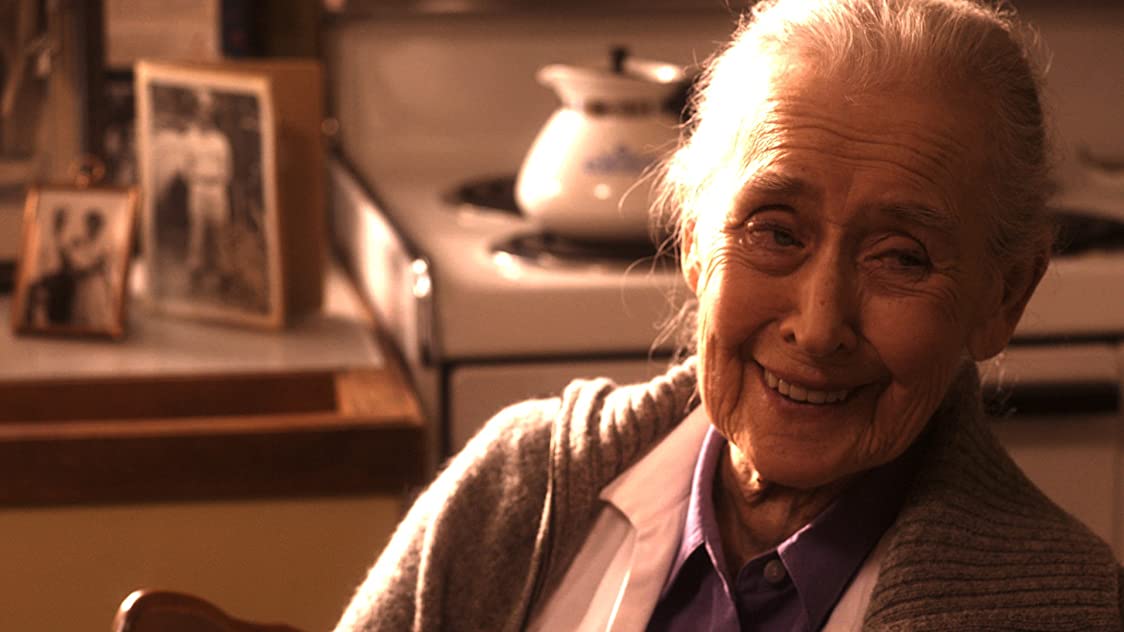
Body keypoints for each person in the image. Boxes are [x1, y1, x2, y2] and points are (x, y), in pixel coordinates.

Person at [334, 1, 1124, 630]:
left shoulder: (1068, 608)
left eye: (902, 257)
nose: (819, 326)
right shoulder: (515, 491)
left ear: (1003, 297)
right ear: (691, 236)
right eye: (775, 233)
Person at [181, 89, 233, 286]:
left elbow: (228, 169)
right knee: (198, 230)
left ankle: (224, 270)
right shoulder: (190, 138)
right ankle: (195, 270)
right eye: (201, 110)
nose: (205, 114)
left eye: (208, 111)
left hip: (217, 188)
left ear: (212, 114)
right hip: (198, 187)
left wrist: (217, 182)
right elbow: (185, 168)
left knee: (220, 229)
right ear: (196, 112)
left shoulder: (221, 140)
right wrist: (197, 180)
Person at [67, 208, 113, 329]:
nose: (92, 228)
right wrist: (80, 270)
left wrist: (85, 270)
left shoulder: (104, 245)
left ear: (100, 227)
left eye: (95, 225)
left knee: (95, 316)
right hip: (81, 285)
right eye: (89, 224)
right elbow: (74, 264)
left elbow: (100, 266)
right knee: (80, 315)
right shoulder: (79, 242)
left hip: (95, 284)